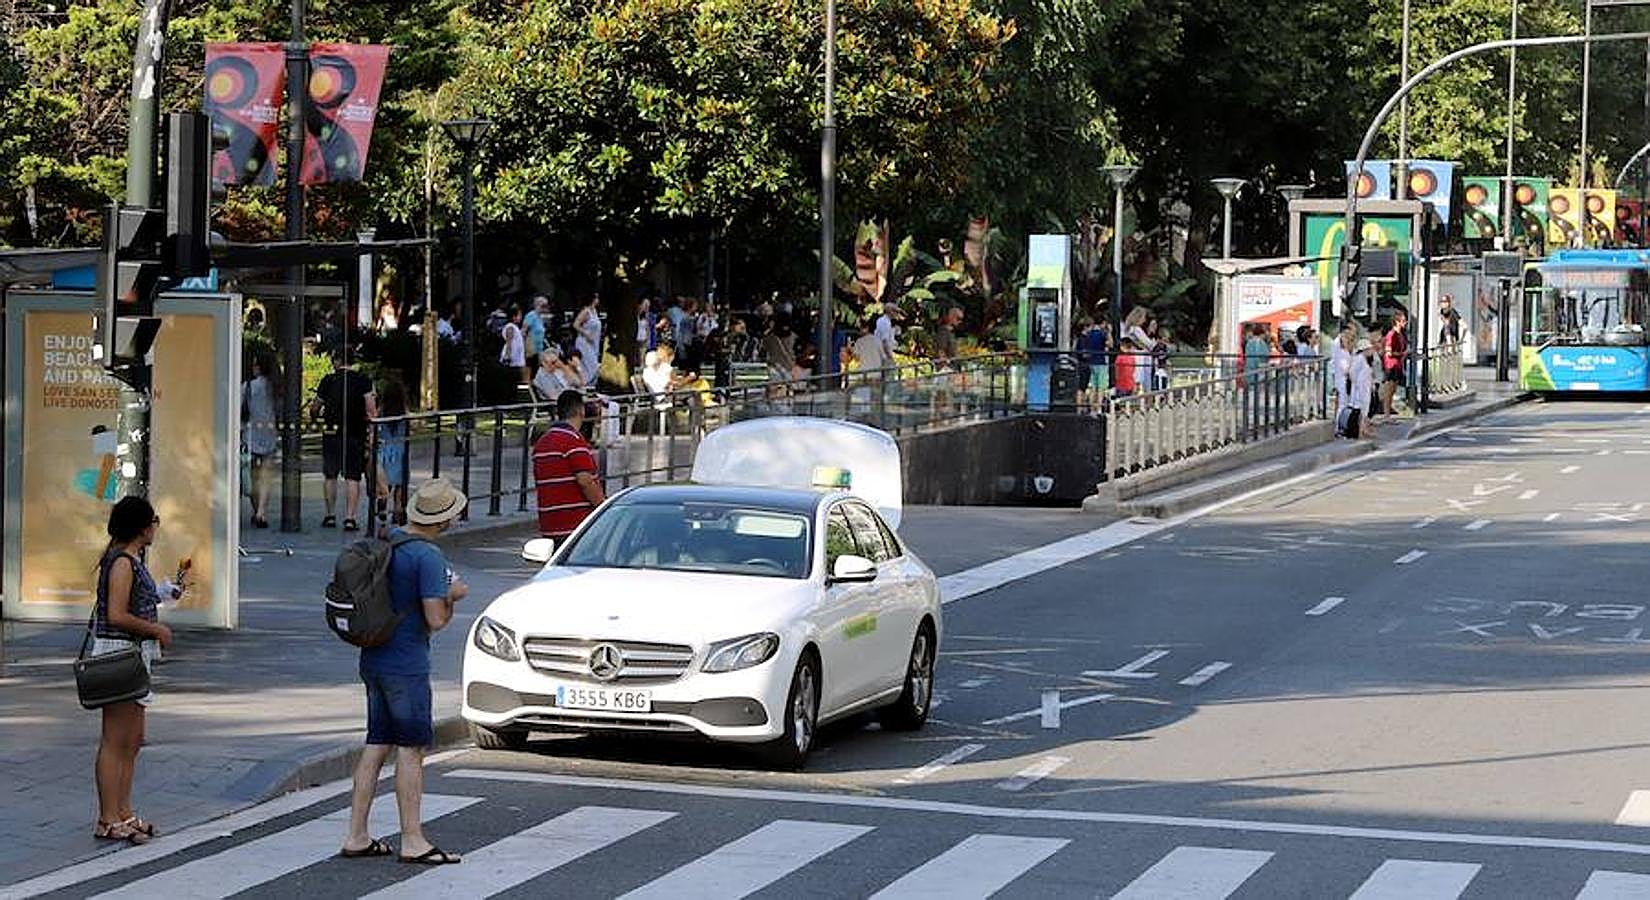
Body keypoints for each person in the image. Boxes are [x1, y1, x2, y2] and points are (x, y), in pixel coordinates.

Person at [340, 479, 468, 866]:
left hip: (374, 657)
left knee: (376, 744)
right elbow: (435, 619)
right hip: (407, 664)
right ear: (443, 521)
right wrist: (453, 596)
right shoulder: (428, 557)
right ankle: (412, 839)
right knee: (411, 750)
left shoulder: (389, 541)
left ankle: (357, 834)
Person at [92, 496, 179, 846]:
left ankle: (124, 810)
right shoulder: (122, 562)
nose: (156, 527)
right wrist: (156, 629)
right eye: (154, 521)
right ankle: (107, 817)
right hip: (118, 654)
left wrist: (159, 595)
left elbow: (132, 603)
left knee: (133, 739)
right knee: (115, 739)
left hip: (134, 656)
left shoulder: (129, 560)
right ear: (143, 527)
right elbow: (115, 614)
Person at [311, 350, 377, 532]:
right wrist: (371, 431)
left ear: (338, 360)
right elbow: (371, 410)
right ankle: (350, 518)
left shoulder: (328, 380)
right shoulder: (363, 381)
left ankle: (330, 515)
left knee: (330, 475)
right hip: (355, 433)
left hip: (331, 433)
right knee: (352, 477)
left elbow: (315, 406)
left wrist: (315, 415)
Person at [533, 390, 606, 541]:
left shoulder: (542, 443)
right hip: (576, 527)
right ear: (581, 411)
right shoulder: (574, 442)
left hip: (549, 526)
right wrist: (603, 508)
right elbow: (585, 481)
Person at [242, 353, 279, 529]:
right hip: (270, 432)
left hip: (251, 433)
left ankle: (256, 509)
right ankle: (261, 511)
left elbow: (239, 407)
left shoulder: (248, 386)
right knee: (266, 473)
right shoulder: (275, 387)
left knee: (252, 475)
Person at [375, 378, 411, 532]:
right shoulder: (404, 411)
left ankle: (382, 506)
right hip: (401, 450)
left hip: (385, 449)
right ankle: (399, 510)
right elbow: (412, 425)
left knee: (385, 482)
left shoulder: (382, 410)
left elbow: (375, 425)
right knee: (400, 484)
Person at [1343, 338, 1376, 438]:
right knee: (1359, 410)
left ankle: (1362, 430)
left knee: (1364, 410)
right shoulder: (1359, 359)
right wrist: (1357, 384)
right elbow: (1352, 373)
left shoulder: (1364, 360)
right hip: (1359, 389)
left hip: (1364, 389)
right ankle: (1358, 432)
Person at [574, 296, 603, 386]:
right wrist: (586, 334)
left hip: (594, 343)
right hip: (584, 342)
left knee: (594, 365)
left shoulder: (595, 312)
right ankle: (584, 384)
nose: (598, 300)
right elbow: (575, 324)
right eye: (596, 298)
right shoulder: (586, 311)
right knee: (590, 365)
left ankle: (591, 385)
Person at [499, 305, 528, 383]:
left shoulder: (516, 328)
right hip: (512, 360)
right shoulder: (510, 327)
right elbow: (509, 342)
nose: (520, 317)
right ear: (514, 317)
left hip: (517, 360)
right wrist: (508, 355)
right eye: (519, 315)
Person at [523, 296, 549, 361]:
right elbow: (524, 331)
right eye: (543, 306)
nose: (545, 308)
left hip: (539, 349)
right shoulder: (531, 315)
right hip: (531, 349)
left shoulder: (540, 317)